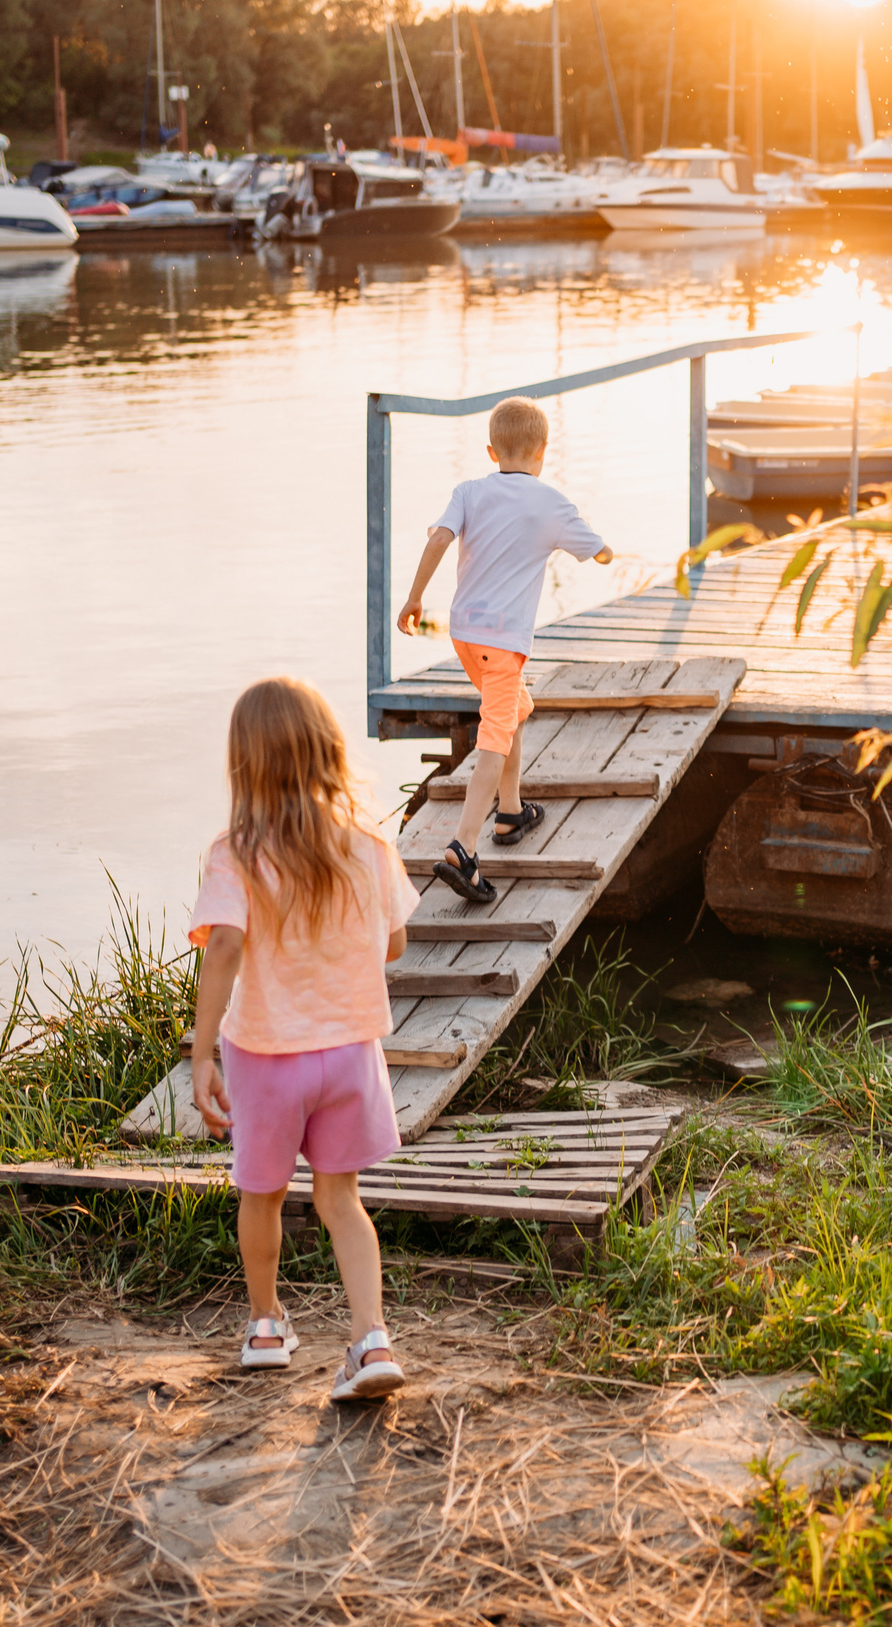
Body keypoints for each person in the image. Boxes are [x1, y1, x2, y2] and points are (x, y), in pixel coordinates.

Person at [190, 677, 422, 1402]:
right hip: (350, 1053)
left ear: (244, 765)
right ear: (329, 751)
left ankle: (265, 1325)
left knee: (261, 1196)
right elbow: (393, 945)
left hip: (266, 1057)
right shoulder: (368, 845)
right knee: (342, 1200)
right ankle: (371, 1337)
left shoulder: (234, 853)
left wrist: (201, 1054)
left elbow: (224, 944)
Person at [394, 396, 613, 904]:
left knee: (513, 712)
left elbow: (437, 540)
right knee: (493, 738)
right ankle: (463, 849)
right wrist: (605, 551)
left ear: (492, 451)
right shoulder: (552, 504)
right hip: (503, 647)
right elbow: (599, 552)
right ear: (543, 452)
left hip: (465, 636)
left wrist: (414, 597)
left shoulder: (469, 491)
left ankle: (511, 811)